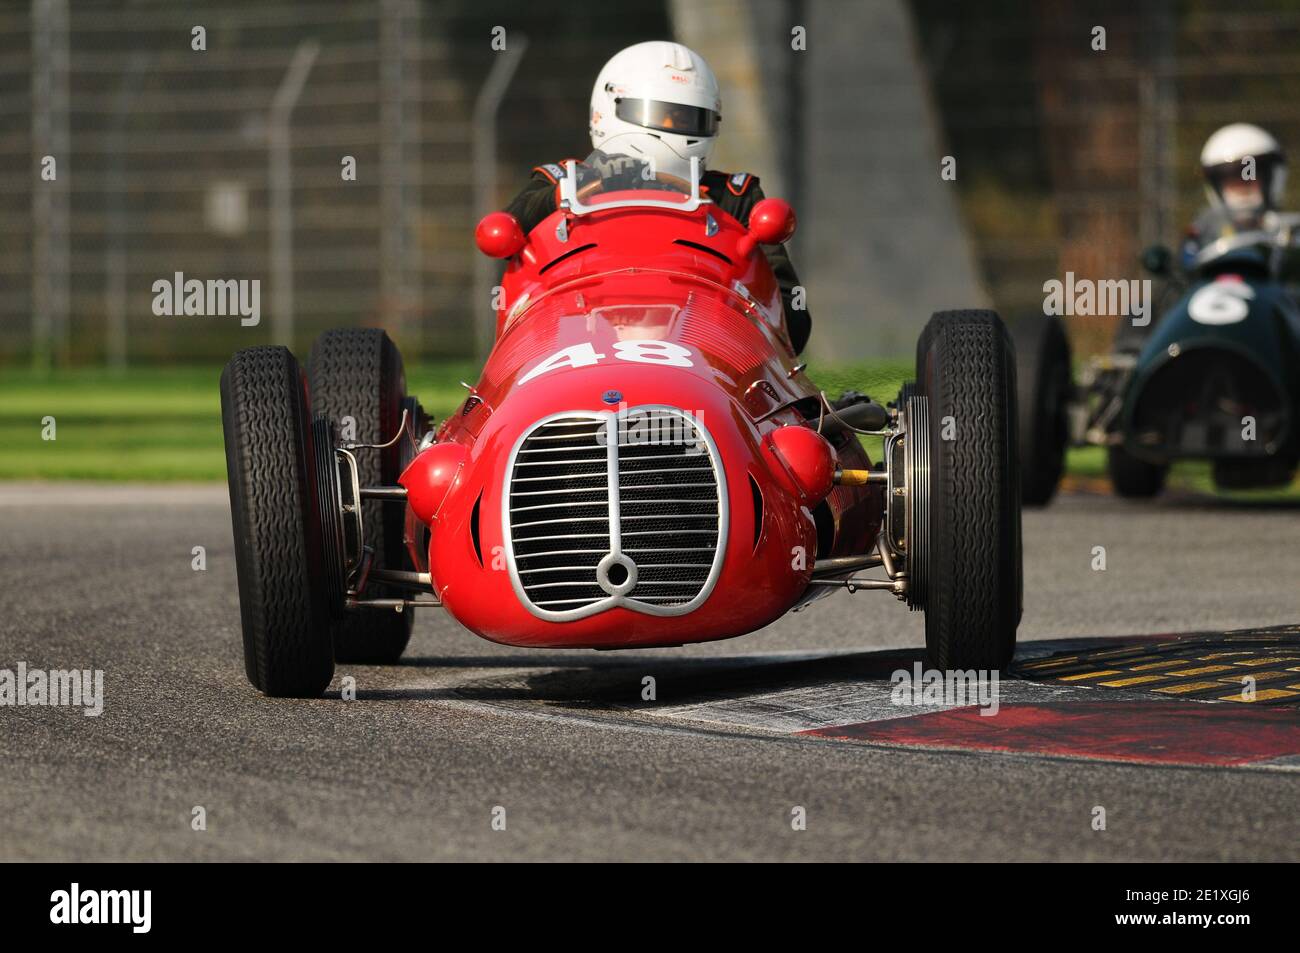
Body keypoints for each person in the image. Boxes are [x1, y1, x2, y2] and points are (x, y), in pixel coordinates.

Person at [505, 41, 812, 354]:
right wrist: (576, 189)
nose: (676, 129)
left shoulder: (734, 196)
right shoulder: (562, 182)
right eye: (664, 116)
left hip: (703, 350)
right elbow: (506, 232)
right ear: (608, 111)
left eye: (690, 118)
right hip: (576, 341)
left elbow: (793, 322)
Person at [1181, 123, 1288, 266]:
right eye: (1234, 181)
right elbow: (1186, 266)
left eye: (1251, 179)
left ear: (1271, 179)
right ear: (1216, 186)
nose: (1243, 189)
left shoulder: (1287, 231)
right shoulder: (1202, 231)